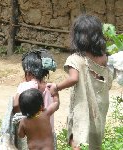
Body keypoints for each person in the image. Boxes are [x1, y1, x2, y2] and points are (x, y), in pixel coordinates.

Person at [48, 14, 114, 150]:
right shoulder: (103, 57)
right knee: (95, 137)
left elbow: (73, 79)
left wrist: (56, 87)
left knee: (75, 136)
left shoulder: (76, 59)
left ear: (77, 37)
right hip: (100, 103)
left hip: (82, 104)